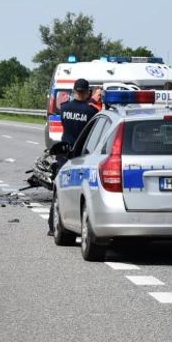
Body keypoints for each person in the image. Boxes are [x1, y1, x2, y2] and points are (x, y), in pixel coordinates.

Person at [49, 78, 99, 235]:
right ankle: (78, 224)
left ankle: (53, 226)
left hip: (64, 154)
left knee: (60, 191)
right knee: (80, 191)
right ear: (87, 92)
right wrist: (95, 101)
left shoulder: (64, 108)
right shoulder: (91, 111)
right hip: (81, 155)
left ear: (74, 90)